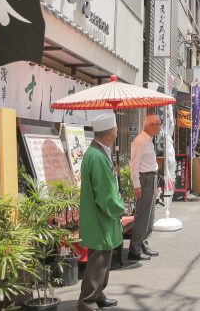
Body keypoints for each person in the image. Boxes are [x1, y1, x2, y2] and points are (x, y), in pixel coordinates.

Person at [77, 112, 124, 311]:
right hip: (101, 214)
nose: (117, 133)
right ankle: (87, 301)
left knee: (104, 256)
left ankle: (98, 294)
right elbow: (105, 192)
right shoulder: (97, 155)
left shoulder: (97, 152)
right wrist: (119, 207)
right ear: (109, 133)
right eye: (115, 130)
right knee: (99, 258)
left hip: (100, 214)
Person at [128, 114, 161, 261]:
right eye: (159, 125)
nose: (160, 128)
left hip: (151, 176)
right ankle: (134, 248)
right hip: (144, 177)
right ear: (151, 125)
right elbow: (134, 164)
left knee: (150, 214)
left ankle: (143, 243)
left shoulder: (148, 140)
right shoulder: (140, 141)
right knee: (142, 214)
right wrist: (137, 185)